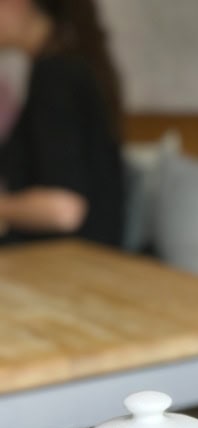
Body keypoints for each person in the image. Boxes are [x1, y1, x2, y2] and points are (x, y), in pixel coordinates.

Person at [0, 0, 124, 246]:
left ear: (17, 3)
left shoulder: (56, 75)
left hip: (66, 262)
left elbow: (64, 209)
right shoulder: (71, 66)